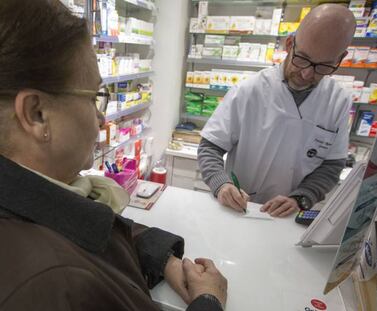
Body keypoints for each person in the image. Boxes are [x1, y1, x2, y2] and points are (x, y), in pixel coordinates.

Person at [0, 1, 226, 310]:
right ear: (37, 114)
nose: (102, 118)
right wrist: (208, 301)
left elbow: (94, 227)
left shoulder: (38, 193)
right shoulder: (55, 283)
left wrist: (164, 259)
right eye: (94, 97)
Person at [198, 4, 356, 217]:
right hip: (239, 209)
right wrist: (221, 184)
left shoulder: (338, 101)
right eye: (303, 59)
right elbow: (209, 147)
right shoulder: (249, 90)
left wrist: (302, 197)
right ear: (290, 44)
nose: (307, 74)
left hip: (291, 216)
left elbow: (332, 165)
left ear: (340, 59)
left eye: (323, 66)